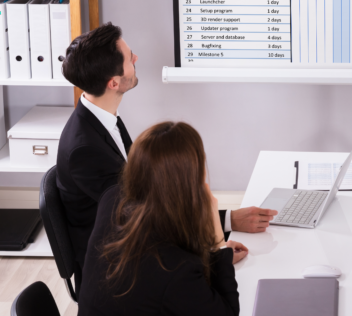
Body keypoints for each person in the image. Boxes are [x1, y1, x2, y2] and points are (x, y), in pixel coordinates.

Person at [57, 23, 276, 291]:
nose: (136, 58)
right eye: (129, 58)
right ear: (113, 83)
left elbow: (145, 200)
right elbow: (141, 216)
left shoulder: (103, 118)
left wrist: (222, 223)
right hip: (114, 269)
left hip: (133, 238)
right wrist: (220, 234)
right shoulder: (85, 150)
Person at [79, 121, 246, 316]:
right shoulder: (176, 271)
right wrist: (218, 245)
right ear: (189, 182)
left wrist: (212, 258)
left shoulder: (112, 199)